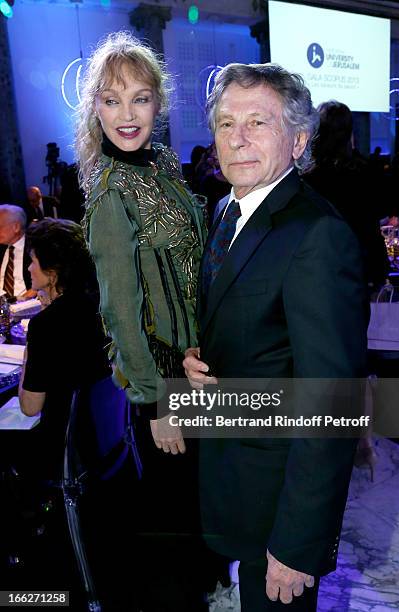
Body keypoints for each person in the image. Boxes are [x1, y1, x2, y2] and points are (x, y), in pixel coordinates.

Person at [183, 63, 367, 611]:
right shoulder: (227, 210)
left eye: (257, 122)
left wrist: (297, 542)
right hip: (236, 480)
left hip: (280, 511)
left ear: (299, 139)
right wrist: (198, 359)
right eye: (224, 123)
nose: (235, 139)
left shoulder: (318, 234)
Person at [75, 31, 209, 611]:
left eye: (139, 98)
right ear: (94, 109)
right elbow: (120, 313)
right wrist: (158, 402)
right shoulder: (110, 193)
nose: (126, 115)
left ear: (160, 101)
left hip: (197, 373)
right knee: (170, 535)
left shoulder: (162, 168)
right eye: (110, 99)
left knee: (200, 518)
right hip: (162, 386)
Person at [17, 218, 112, 606]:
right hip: (99, 446)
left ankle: (25, 588)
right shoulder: (96, 304)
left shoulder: (46, 324)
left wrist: (29, 344)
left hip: (62, 454)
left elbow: (29, 406)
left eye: (34, 262)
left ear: (52, 272)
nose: (28, 269)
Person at [304, 100, 389, 293]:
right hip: (358, 266)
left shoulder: (306, 175)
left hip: (317, 267)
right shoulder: (365, 172)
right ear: (350, 130)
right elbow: (374, 222)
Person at [0, 204, 36, 300]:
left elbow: (45, 281)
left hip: (25, 306)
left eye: (0, 227)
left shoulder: (35, 248)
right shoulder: (2, 246)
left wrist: (19, 302)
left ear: (16, 227)